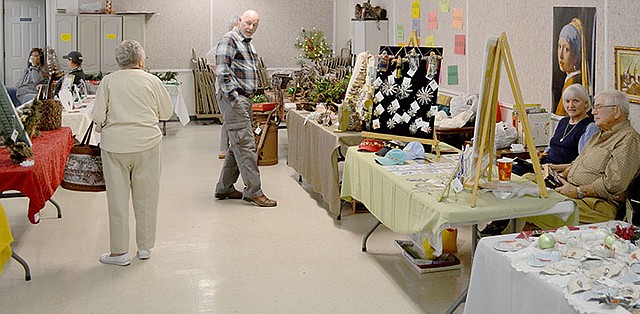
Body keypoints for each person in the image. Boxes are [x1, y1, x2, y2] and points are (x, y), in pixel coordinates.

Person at [92, 40, 173, 266]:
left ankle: (119, 253)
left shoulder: (108, 81)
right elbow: (167, 112)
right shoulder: (152, 81)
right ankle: (145, 248)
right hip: (147, 144)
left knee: (117, 201)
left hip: (115, 146)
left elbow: (98, 116)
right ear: (141, 60)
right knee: (147, 198)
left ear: (119, 61)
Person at [214, 10, 277, 207]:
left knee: (237, 144)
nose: (251, 27)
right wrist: (234, 100)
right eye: (248, 23)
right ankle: (254, 191)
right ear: (240, 21)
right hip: (236, 99)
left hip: (244, 99)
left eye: (255, 25)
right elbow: (222, 73)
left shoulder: (247, 43)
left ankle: (224, 187)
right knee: (247, 145)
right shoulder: (230, 40)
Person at [554, 90, 640, 224]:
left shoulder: (628, 139)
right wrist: (559, 176)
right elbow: (577, 163)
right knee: (528, 182)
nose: (593, 112)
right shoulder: (598, 135)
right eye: (594, 108)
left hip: (596, 205)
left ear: (616, 111)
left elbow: (614, 184)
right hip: (572, 191)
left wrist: (578, 191)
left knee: (540, 208)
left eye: (598, 107)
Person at [207, 14, 241, 159]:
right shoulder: (226, 42)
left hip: (236, 88)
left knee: (232, 118)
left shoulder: (239, 43)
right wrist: (221, 73)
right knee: (228, 119)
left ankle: (233, 146)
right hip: (225, 89)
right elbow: (209, 57)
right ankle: (223, 149)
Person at [542, 84, 598, 172]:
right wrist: (542, 155)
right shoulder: (562, 122)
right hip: (546, 166)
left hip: (564, 171)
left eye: (576, 101)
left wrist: (555, 168)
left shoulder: (590, 127)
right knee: (516, 169)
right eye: (567, 101)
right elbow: (550, 147)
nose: (570, 105)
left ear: (586, 103)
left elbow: (583, 162)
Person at [555, 18, 589, 116]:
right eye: (559, 47)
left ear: (576, 53)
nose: (560, 55)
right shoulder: (569, 79)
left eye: (566, 49)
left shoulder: (573, 82)